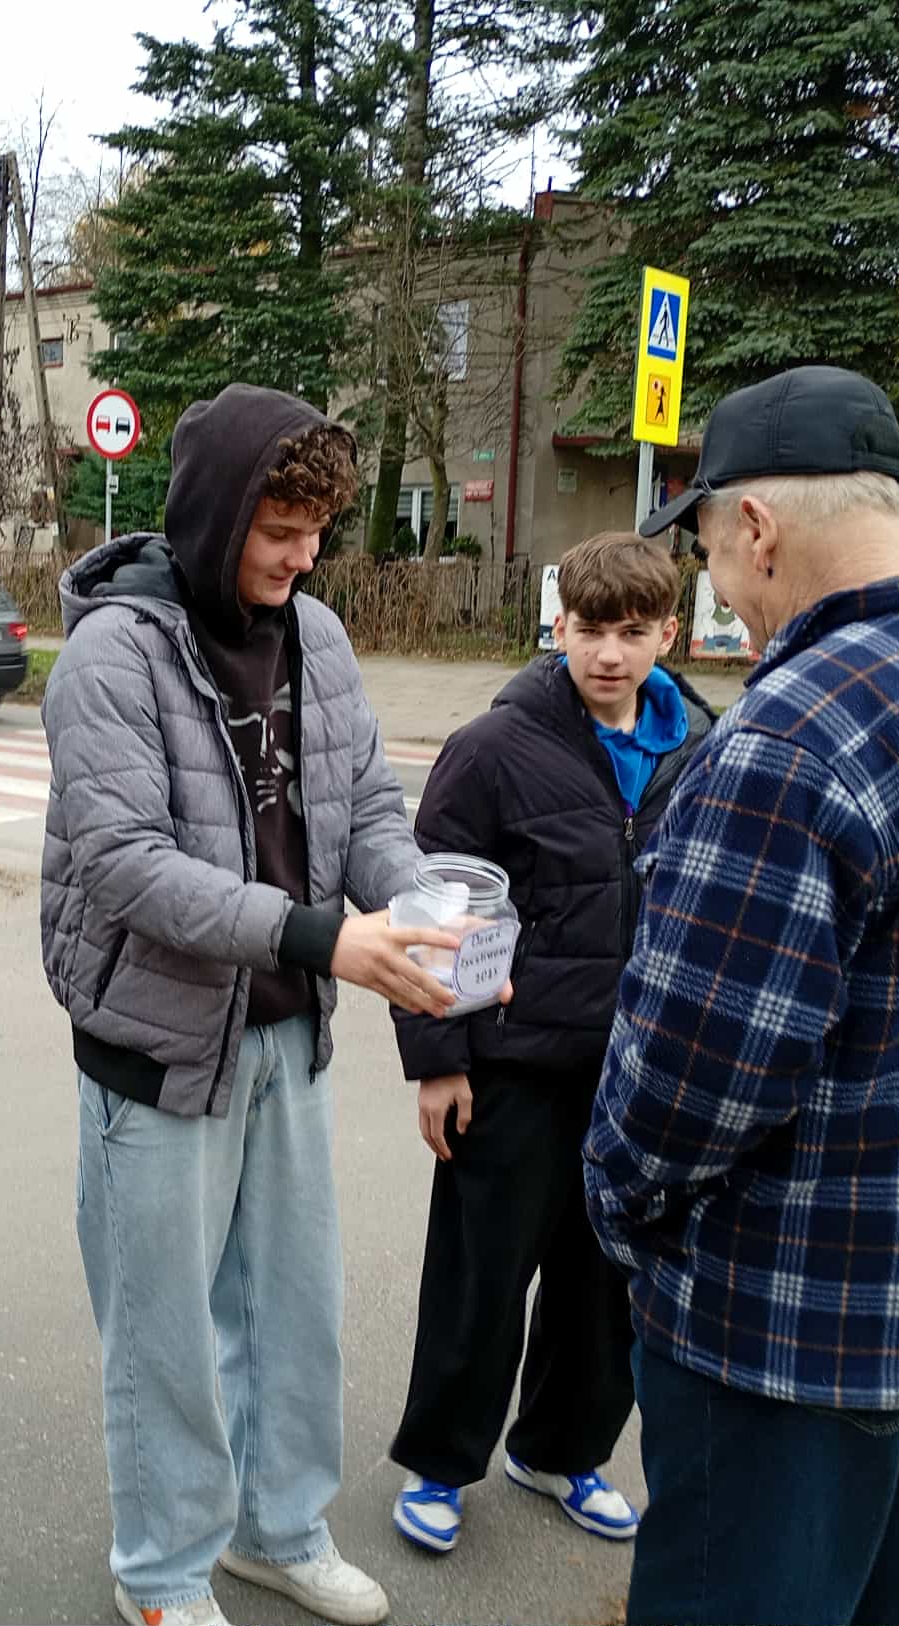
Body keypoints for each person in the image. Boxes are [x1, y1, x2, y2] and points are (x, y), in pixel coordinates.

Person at [587, 366, 899, 1626]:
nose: (715, 585)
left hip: (797, 1335)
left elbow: (698, 1070)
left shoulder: (790, 734)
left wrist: (618, 1203)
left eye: (708, 546)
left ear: (756, 528)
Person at [42, 384, 473, 1626]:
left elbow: (369, 812)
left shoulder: (319, 639)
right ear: (214, 511)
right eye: (279, 529)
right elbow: (125, 864)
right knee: (165, 1335)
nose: (304, 555)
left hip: (291, 1018)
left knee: (294, 1311)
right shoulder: (112, 652)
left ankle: (275, 1532)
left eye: (317, 531)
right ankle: (165, 1575)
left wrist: (421, 902)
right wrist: (321, 934)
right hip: (158, 1045)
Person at [387, 532, 713, 1558]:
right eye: (588, 629)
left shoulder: (704, 747)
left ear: (671, 631)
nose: (608, 653)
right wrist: (438, 1058)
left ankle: (563, 1450)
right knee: (483, 1275)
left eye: (631, 632)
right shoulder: (496, 748)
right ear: (556, 625)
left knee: (605, 1285)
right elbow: (430, 914)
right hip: (517, 1065)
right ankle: (442, 1465)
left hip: (643, 1073)